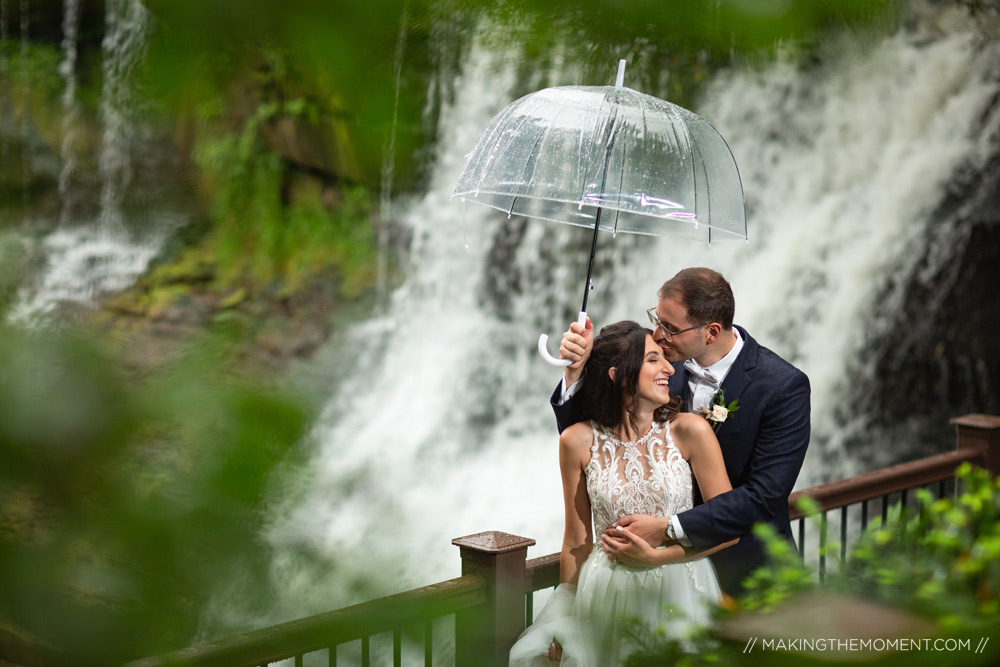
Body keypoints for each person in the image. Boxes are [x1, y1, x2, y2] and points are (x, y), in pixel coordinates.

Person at [551, 267, 811, 597]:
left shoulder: (782, 387)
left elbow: (762, 497)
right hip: (643, 584)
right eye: (657, 320)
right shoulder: (658, 367)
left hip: (748, 574)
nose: (657, 335)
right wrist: (576, 373)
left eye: (670, 328)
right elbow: (598, 440)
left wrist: (668, 530)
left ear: (712, 332)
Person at [510, 321, 737, 667]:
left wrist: (662, 556)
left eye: (665, 359)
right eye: (653, 360)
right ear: (619, 375)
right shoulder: (575, 441)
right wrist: (563, 618)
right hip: (603, 595)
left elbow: (729, 527)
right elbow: (577, 539)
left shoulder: (691, 431)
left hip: (683, 589)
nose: (668, 368)